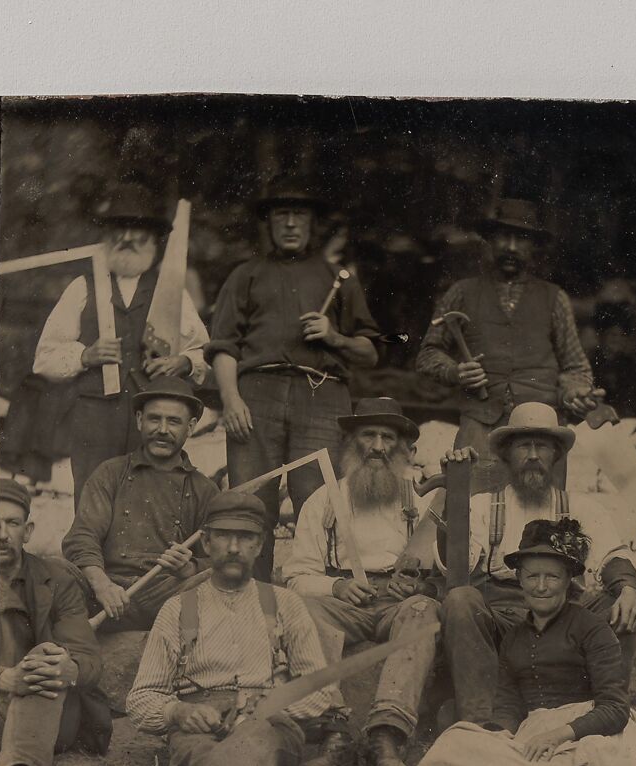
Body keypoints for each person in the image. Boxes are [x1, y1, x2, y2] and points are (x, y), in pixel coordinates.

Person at [126, 492, 345, 766]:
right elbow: (141, 698)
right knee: (200, 748)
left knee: (256, 737)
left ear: (260, 545)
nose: (233, 547)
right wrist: (179, 711)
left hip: (272, 720)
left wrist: (269, 708)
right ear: (206, 542)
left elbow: (320, 688)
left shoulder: (285, 604)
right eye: (223, 537)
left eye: (245, 538)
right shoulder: (178, 609)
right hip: (201, 720)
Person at [401, 518, 636, 766]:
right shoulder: (515, 638)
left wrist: (561, 733)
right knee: (456, 742)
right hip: (532, 732)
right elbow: (508, 703)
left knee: (599, 762)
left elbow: (616, 709)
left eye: (552, 576)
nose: (541, 586)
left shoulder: (591, 628)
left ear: (568, 580)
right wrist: (497, 734)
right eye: (533, 576)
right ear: (519, 579)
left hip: (588, 730)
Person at [205, 176, 381, 579]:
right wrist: (231, 400)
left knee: (319, 504)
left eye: (299, 214)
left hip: (322, 397)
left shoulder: (340, 280)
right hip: (256, 397)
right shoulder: (244, 275)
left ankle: (317, 598)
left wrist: (333, 335)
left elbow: (370, 351)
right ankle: (250, 597)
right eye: (280, 214)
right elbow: (223, 346)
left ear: (312, 223)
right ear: (267, 222)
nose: (289, 223)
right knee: (249, 504)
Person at [440, 403, 636, 727]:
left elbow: (611, 554)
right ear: (506, 454)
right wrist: (456, 494)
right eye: (524, 445)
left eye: (542, 446)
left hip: (565, 616)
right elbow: (457, 564)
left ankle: (602, 718)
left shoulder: (580, 505)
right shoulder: (483, 505)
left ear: (556, 454)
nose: (533, 455)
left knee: (619, 605)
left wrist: (629, 589)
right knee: (461, 600)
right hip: (502, 618)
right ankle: (479, 727)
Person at [283, 397, 440, 766]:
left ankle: (385, 736)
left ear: (402, 449)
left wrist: (417, 583)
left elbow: (440, 567)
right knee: (303, 609)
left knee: (423, 612)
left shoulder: (418, 503)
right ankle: (335, 734)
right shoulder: (324, 500)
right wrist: (335, 587)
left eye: (388, 437)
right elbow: (295, 577)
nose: (378, 447)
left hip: (396, 605)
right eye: (368, 435)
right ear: (351, 442)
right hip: (344, 603)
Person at [32, 183, 209, 504]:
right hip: (94, 415)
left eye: (138, 230)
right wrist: (86, 355)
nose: (127, 238)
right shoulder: (82, 287)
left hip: (152, 412)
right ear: (106, 237)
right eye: (119, 229)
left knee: (148, 495)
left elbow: (200, 354)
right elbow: (44, 358)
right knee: (93, 496)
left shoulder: (170, 292)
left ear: (154, 240)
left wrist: (182, 363)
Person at [416, 198, 595, 478]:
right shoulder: (461, 292)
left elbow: (576, 367)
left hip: (541, 429)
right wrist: (455, 372)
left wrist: (575, 391)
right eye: (503, 237)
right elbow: (428, 354)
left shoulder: (555, 298)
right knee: (470, 505)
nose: (511, 247)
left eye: (521, 239)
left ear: (534, 246)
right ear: (489, 240)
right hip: (480, 425)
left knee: (543, 516)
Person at [62, 376, 219, 632]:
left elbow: (219, 559)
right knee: (54, 572)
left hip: (170, 595)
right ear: (139, 420)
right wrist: (102, 585)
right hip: (108, 593)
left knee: (218, 585)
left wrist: (189, 568)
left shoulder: (205, 490)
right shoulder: (110, 473)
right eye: (154, 419)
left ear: (190, 428)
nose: (163, 430)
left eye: (174, 422)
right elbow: (82, 536)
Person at [0, 479, 104, 766]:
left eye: (12, 524)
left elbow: (89, 660)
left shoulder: (57, 579)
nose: (0, 534)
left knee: (47, 656)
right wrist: (3, 676)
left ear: (27, 531)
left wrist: (66, 667)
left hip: (47, 711)